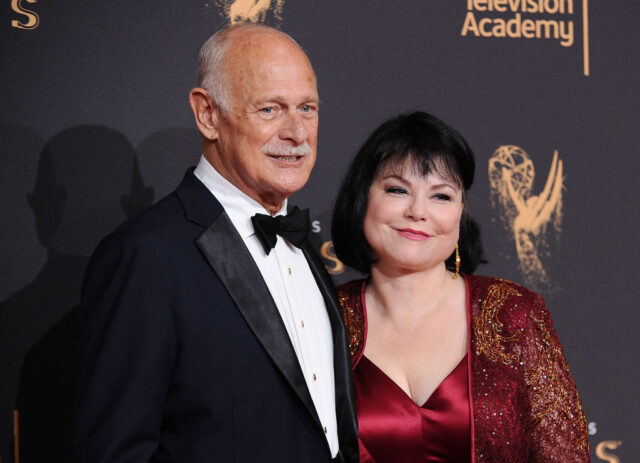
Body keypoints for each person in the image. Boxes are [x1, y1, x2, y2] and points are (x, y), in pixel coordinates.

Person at [72, 24, 358, 463]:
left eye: (307, 108)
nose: (297, 133)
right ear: (207, 114)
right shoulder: (146, 256)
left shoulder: (303, 250)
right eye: (270, 109)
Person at [332, 111, 590, 462]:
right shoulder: (324, 317)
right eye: (397, 190)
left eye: (441, 196)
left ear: (460, 214)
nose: (418, 211)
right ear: (362, 199)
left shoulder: (512, 313)